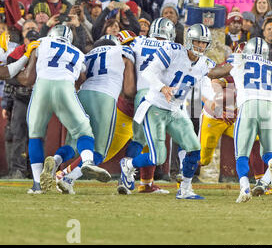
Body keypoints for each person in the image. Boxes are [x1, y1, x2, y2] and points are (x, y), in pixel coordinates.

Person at [119, 23, 216, 200]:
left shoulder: (203, 64)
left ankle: (185, 189)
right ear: (188, 40)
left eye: (203, 43)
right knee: (158, 157)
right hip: (155, 105)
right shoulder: (173, 51)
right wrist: (162, 87)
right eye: (197, 41)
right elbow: (148, 72)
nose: (200, 46)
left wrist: (210, 99)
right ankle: (128, 164)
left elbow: (204, 84)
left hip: (176, 109)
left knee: (194, 148)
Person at [15, 25, 109, 194]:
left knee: (35, 134)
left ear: (51, 34)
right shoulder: (78, 52)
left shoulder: (41, 42)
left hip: (42, 86)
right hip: (65, 87)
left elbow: (28, 78)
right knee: (84, 131)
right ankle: (87, 161)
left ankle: (37, 185)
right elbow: (82, 77)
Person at [45, 34, 136, 194]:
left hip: (82, 94)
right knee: (99, 153)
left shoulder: (87, 55)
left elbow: (79, 79)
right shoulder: (121, 51)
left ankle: (56, 160)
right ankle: (68, 179)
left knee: (73, 145)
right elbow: (128, 90)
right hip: (104, 97)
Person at [208, 37, 272, 203]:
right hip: (269, 107)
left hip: (249, 104)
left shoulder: (238, 59)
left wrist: (204, 68)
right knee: (268, 152)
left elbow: (215, 73)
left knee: (241, 154)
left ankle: (244, 187)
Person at [116, 18, 175, 195]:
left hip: (139, 94)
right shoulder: (172, 49)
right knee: (147, 140)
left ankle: (146, 184)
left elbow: (118, 40)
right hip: (156, 95)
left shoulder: (136, 40)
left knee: (142, 139)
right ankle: (126, 175)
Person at [2, 21, 39, 179]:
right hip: (20, 98)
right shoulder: (15, 54)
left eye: (35, 40)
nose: (32, 43)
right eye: (30, 39)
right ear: (24, 40)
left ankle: (34, 170)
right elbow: (8, 79)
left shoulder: (43, 55)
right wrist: (7, 105)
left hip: (37, 100)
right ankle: (17, 169)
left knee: (37, 135)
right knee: (18, 135)